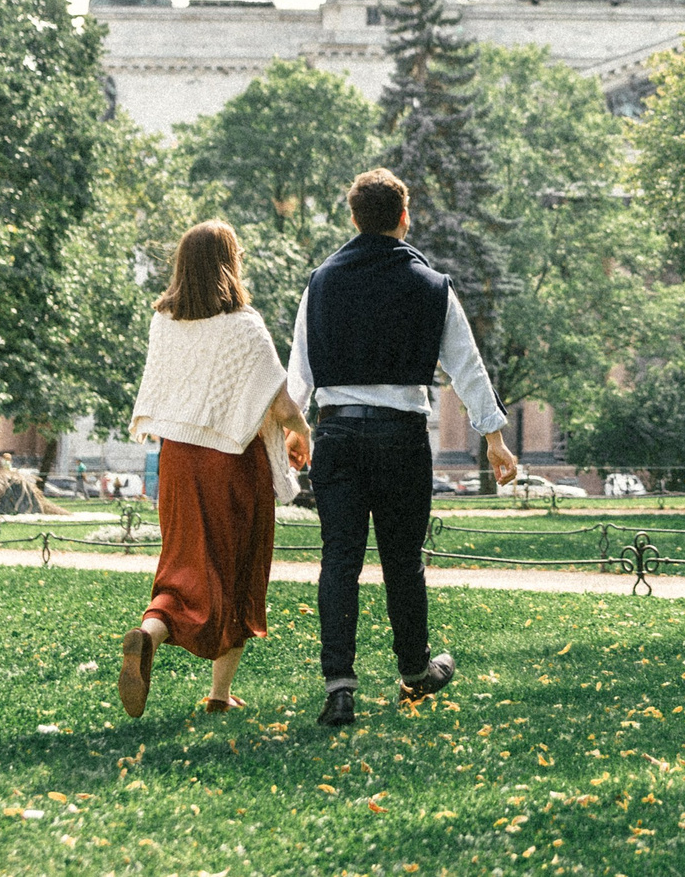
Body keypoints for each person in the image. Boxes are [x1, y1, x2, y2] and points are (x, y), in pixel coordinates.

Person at [289, 168, 518, 730]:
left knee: (338, 560)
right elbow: (466, 364)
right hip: (401, 436)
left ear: (352, 218)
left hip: (337, 432)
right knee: (402, 562)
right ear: (403, 217)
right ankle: (415, 673)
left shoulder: (320, 282)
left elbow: (300, 365)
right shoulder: (431, 285)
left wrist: (296, 429)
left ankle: (339, 688)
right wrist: (493, 438)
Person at [118, 221, 312, 719]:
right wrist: (302, 434)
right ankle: (219, 695)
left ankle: (151, 631)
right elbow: (284, 405)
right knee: (236, 568)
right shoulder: (244, 326)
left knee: (183, 564)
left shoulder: (164, 322)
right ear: (231, 263)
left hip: (178, 460)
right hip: (233, 464)